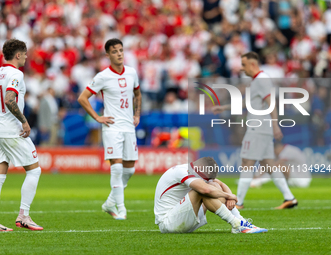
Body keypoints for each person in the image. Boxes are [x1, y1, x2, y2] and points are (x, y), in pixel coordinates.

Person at [212, 52, 297, 209]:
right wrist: (225, 107)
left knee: (247, 162)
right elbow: (248, 103)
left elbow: (271, 102)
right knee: (269, 164)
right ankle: (289, 198)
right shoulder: (257, 81)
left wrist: (275, 124)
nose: (242, 69)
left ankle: (239, 202)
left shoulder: (261, 80)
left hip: (258, 127)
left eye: (244, 65)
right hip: (262, 128)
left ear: (252, 64)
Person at [78, 38, 141, 220]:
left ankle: (109, 202)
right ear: (108, 55)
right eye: (115, 51)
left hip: (129, 126)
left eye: (121, 50)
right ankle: (121, 208)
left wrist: (137, 115)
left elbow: (137, 93)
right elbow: (83, 98)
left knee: (129, 170)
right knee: (117, 168)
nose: (119, 54)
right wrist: (97, 117)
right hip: (112, 127)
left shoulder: (131, 73)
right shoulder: (103, 76)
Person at [154, 157, 268, 234]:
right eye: (206, 178)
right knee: (203, 190)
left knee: (213, 185)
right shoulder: (183, 171)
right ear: (200, 168)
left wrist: (229, 196)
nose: (206, 180)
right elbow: (205, 190)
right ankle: (236, 224)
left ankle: (240, 220)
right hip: (168, 223)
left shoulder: (195, 170)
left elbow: (220, 183)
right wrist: (229, 196)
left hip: (181, 217)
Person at [0, 39, 43, 231]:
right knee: (34, 170)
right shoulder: (16, 74)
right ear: (18, 55)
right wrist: (24, 121)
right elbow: (9, 99)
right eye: (24, 54)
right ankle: (23, 215)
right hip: (11, 130)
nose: (26, 57)